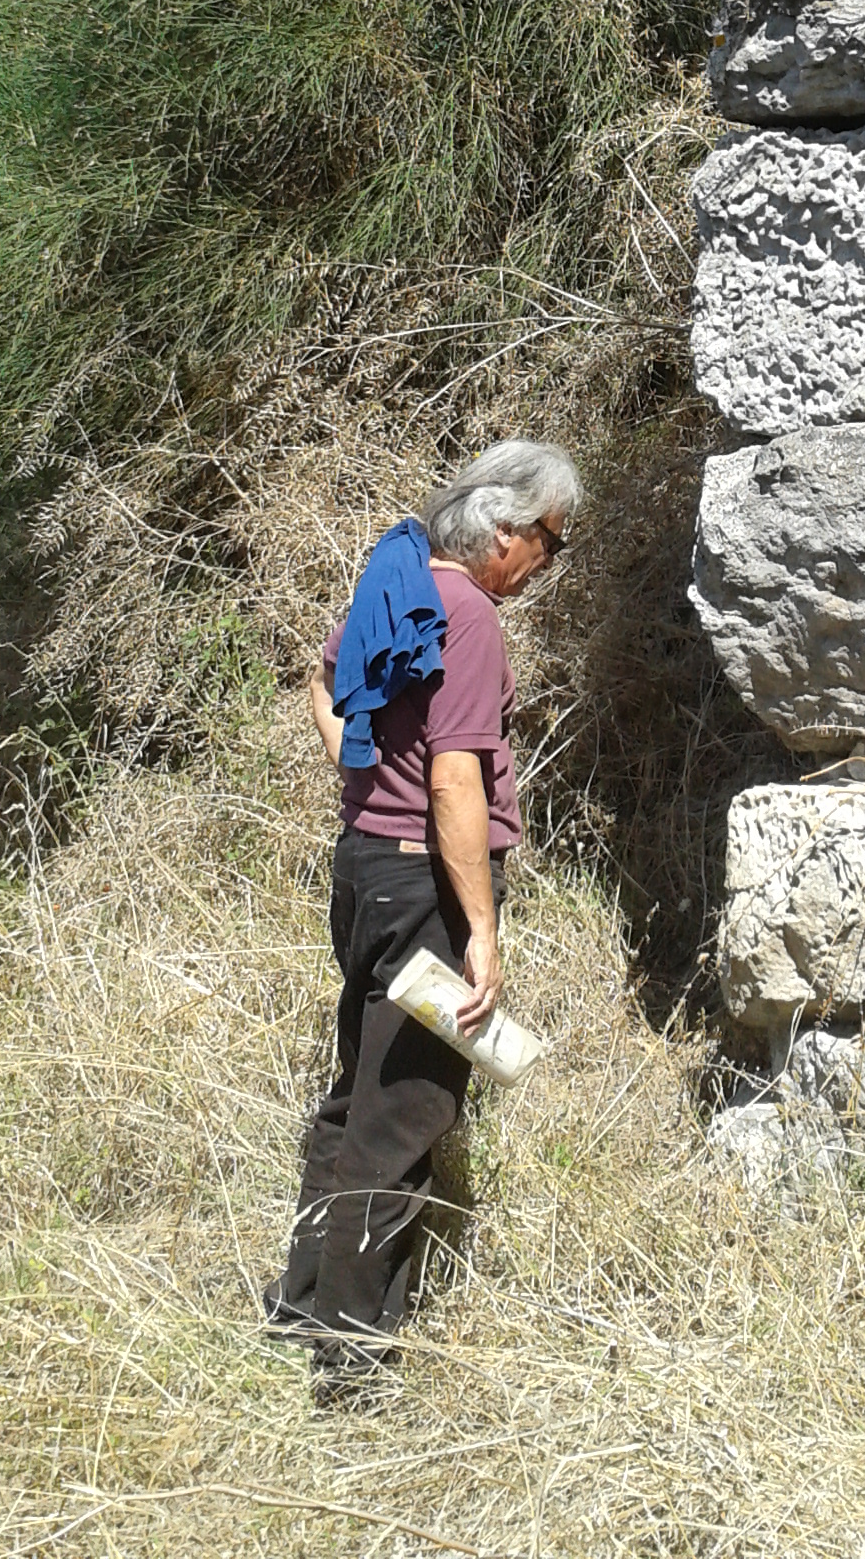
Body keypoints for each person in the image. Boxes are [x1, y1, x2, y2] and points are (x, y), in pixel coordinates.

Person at [266, 436, 581, 1388]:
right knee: (408, 1111)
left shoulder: (392, 585)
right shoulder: (471, 615)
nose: (548, 563)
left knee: (358, 1090)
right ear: (502, 530)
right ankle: (352, 1356)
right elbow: (457, 783)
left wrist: (362, 778)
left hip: (362, 869)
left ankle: (301, 1304)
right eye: (550, 542)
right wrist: (481, 932)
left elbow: (325, 685)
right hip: (420, 884)